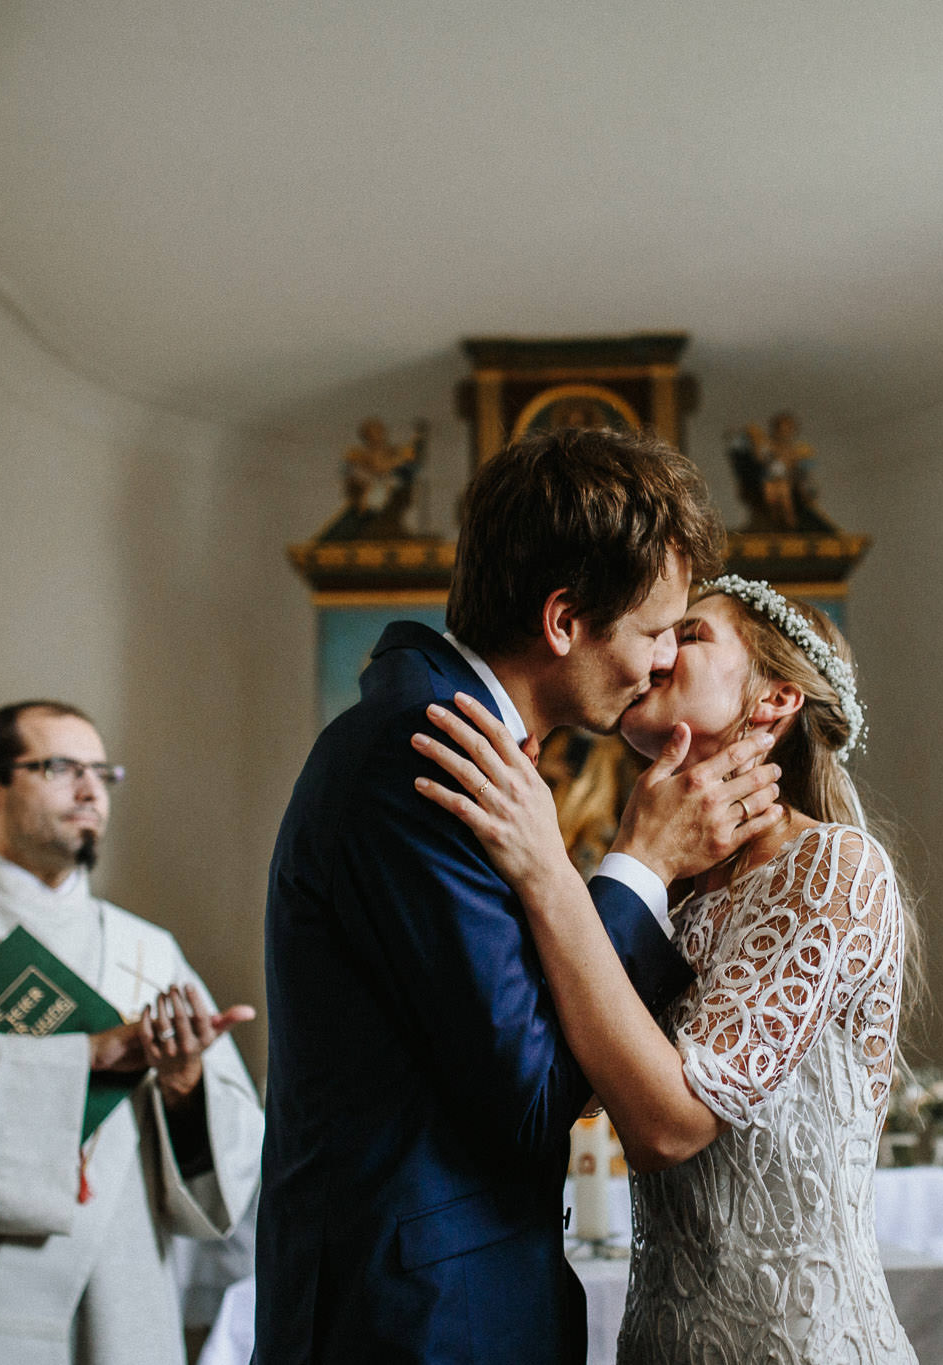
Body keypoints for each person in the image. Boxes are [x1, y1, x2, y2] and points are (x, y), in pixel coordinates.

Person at [256, 427, 785, 1364]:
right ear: (564, 620)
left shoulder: (464, 741)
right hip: (417, 1320)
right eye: (657, 631)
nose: (663, 660)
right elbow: (538, 1098)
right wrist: (641, 867)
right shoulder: (423, 754)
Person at [414, 575, 920, 1364]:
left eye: (688, 636)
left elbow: (666, 1126)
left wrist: (548, 869)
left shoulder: (832, 867)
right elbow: (576, 1089)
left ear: (775, 700)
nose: (655, 652)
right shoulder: (665, 893)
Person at [0, 700, 264, 1365]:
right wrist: (87, 1056)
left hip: (118, 1310)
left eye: (102, 772)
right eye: (62, 767)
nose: (92, 789)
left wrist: (185, 1089)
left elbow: (229, 1165)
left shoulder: (148, 952)